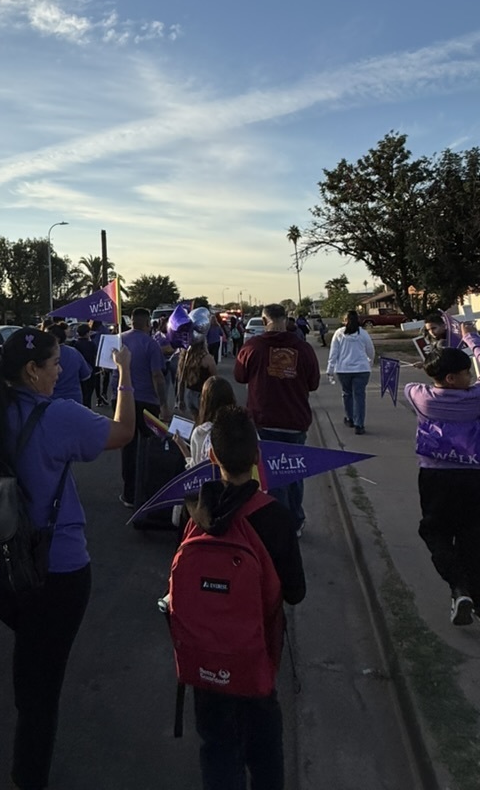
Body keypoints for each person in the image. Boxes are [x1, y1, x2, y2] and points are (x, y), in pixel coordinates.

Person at [0, 327, 135, 790]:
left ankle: (26, 694)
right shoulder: (58, 416)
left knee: (32, 655)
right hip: (56, 570)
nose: (59, 373)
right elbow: (124, 431)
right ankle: (27, 776)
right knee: (40, 692)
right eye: (54, 365)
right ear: (32, 371)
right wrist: (125, 375)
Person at [173, 405, 306, 790]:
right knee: (263, 749)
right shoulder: (275, 517)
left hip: (205, 663)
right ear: (258, 457)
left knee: (217, 748)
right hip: (256, 658)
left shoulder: (195, 511)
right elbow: (296, 593)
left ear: (211, 457)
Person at [404, 324, 480, 626]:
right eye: (466, 374)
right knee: (471, 534)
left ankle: (459, 588)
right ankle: (473, 591)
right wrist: (471, 339)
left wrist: (429, 370)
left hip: (435, 477)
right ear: (452, 378)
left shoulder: (420, 396)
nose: (471, 377)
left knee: (434, 531)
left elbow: (413, 387)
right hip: (473, 476)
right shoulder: (475, 398)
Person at [234, 303, 320, 534]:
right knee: (293, 473)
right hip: (295, 420)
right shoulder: (303, 348)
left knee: (271, 475)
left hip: (264, 420)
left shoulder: (252, 347)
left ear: (264, 321)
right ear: (286, 319)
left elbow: (239, 376)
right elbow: (313, 383)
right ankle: (294, 520)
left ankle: (278, 523)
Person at [116, 307, 169, 508]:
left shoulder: (118, 340)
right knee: (150, 447)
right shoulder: (151, 345)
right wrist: (164, 404)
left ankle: (129, 493)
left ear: (131, 322)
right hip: (147, 401)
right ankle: (148, 491)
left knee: (127, 447)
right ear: (148, 324)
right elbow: (158, 376)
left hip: (123, 399)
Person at [326, 310, 375, 434]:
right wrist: (370, 362)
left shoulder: (339, 334)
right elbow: (371, 351)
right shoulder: (363, 334)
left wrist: (330, 369)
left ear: (344, 320)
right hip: (362, 369)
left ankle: (350, 418)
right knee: (359, 397)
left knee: (347, 394)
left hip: (343, 369)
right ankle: (359, 425)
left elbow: (334, 353)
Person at [173, 376, 237, 469]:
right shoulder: (244, 427)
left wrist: (182, 446)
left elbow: (196, 470)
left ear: (205, 402)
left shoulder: (201, 433)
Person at [48, 322, 92, 404]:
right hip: (75, 400)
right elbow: (86, 375)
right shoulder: (74, 352)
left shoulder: (45, 355)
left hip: (51, 401)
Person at [176, 339, 218, 420]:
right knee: (206, 423)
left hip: (190, 395)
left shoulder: (184, 358)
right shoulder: (207, 358)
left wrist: (180, 399)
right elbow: (215, 379)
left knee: (196, 421)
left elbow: (181, 380)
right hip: (203, 395)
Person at [72, 323, 98, 407]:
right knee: (88, 395)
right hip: (91, 371)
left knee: (82, 393)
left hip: (78, 372)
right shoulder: (92, 345)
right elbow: (95, 357)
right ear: (87, 333)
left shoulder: (75, 345)